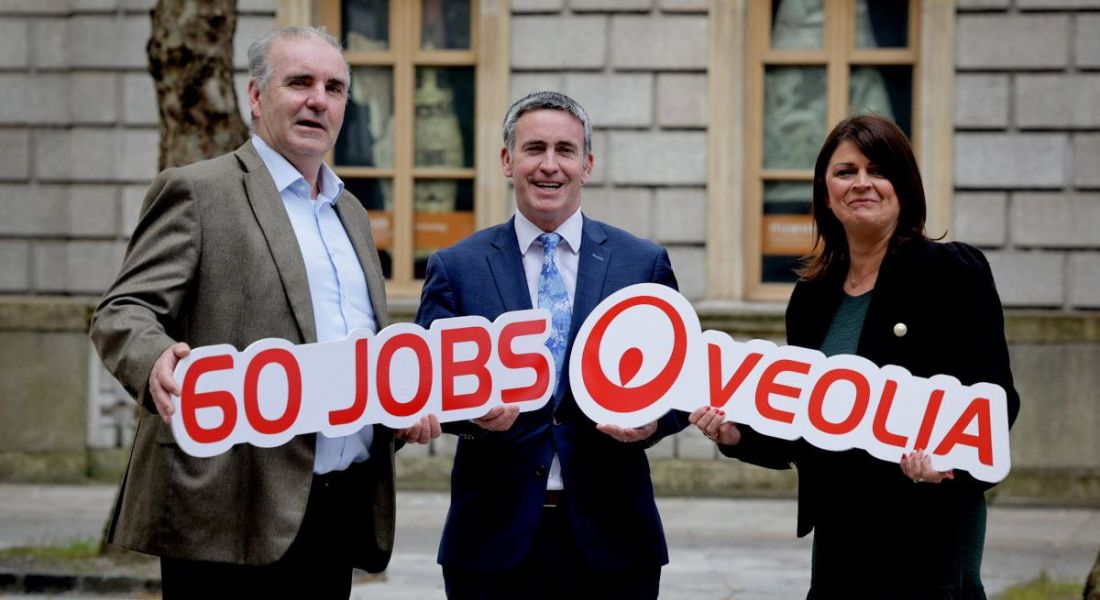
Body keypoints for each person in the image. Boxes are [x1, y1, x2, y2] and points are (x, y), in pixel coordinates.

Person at [90, 26, 439, 599]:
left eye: (334, 87)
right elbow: (123, 310)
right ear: (256, 97)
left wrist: (400, 406)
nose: (317, 100)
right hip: (229, 509)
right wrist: (155, 362)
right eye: (299, 82)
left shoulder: (350, 212)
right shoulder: (199, 192)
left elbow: (355, 346)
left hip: (337, 507)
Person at [691, 114, 1020, 599]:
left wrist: (949, 463)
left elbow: (997, 399)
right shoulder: (812, 297)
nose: (862, 183)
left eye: (878, 170)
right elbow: (804, 424)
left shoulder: (952, 272)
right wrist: (737, 434)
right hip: (841, 530)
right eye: (846, 172)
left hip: (929, 525)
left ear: (903, 187)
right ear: (826, 194)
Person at [415, 91, 687, 600]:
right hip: (491, 541)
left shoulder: (641, 264)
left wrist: (655, 421)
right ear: (506, 160)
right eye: (533, 148)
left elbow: (681, 383)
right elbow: (428, 388)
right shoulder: (456, 266)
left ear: (587, 163)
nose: (549, 165)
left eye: (565, 150)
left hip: (614, 540)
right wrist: (467, 413)